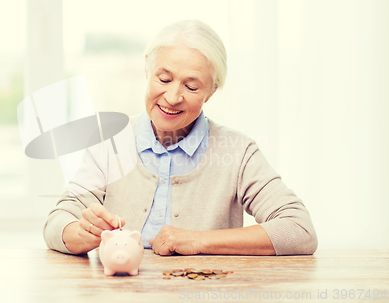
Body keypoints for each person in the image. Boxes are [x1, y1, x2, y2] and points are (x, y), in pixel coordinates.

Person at [43, 20, 318, 256]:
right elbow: (57, 221)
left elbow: (299, 230)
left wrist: (198, 240)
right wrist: (81, 233)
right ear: (147, 73)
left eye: (191, 86)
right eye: (163, 79)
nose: (173, 97)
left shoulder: (238, 151)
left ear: (210, 92)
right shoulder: (109, 141)